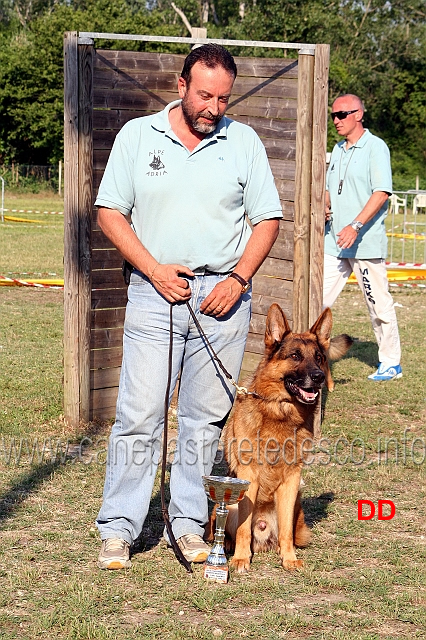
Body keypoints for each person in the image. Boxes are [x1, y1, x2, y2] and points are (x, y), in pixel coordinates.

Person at [94, 44, 282, 569]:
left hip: (224, 300)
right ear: (181, 86)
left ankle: (189, 524)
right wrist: (153, 269)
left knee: (204, 420)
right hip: (155, 292)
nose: (213, 108)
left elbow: (266, 218)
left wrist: (239, 277)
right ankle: (119, 527)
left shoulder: (243, 142)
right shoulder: (137, 135)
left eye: (223, 98)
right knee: (140, 414)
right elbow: (111, 212)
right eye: (204, 95)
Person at [323, 93, 402, 382]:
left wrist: (355, 225)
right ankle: (312, 358)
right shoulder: (338, 149)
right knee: (313, 300)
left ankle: (391, 362)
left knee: (378, 304)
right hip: (333, 243)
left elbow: (381, 193)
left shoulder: (375, 147)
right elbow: (333, 187)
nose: (336, 120)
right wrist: (325, 204)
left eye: (342, 114)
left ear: (358, 114)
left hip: (363, 243)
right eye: (334, 115)